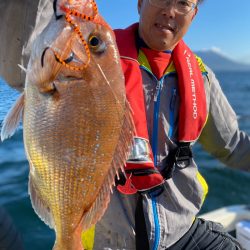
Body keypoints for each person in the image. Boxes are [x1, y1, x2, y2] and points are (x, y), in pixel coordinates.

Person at [1, 0, 249, 249]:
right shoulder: (97, 55)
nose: (169, 10)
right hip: (108, 241)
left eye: (183, 3)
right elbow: (20, 57)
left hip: (182, 232)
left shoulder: (201, 76)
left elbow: (232, 145)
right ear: (140, 3)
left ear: (193, 15)